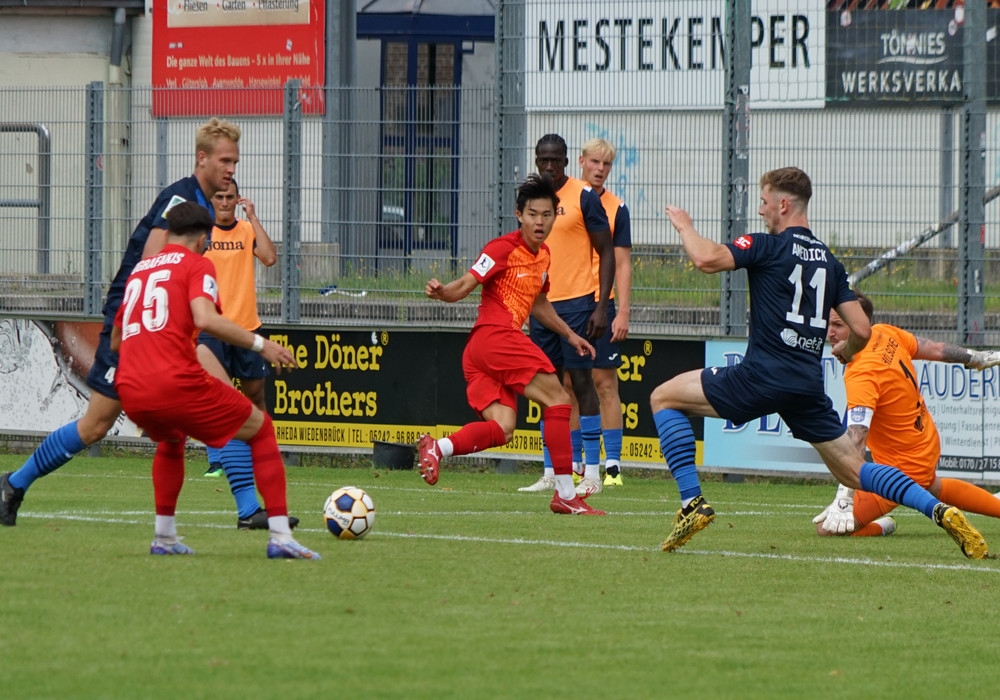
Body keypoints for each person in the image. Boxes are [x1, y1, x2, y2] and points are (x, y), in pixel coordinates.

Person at [653, 166, 988, 559]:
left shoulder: (767, 245)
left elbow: (706, 259)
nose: (761, 211)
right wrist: (847, 350)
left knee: (663, 398)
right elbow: (861, 327)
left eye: (763, 202)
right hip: (806, 384)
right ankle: (940, 511)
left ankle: (692, 504)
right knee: (854, 471)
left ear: (783, 204)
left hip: (761, 375)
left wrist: (685, 226)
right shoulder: (829, 261)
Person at [0, 118, 261, 529]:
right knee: (96, 426)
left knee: (219, 403)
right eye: (225, 161)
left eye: (235, 162)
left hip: (168, 323)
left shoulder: (204, 205)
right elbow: (152, 263)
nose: (231, 169)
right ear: (202, 158)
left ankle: (248, 511)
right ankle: (13, 485)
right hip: (142, 322)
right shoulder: (181, 199)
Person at [111, 201, 318, 558]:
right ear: (202, 239)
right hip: (173, 382)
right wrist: (262, 344)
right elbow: (205, 318)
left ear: (168, 234)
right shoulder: (197, 263)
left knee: (172, 438)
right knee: (260, 428)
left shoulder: (140, 270)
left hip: (130, 389)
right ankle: (281, 538)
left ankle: (164, 538)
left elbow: (116, 340)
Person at [416, 174, 605, 515]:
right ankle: (565, 493)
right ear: (519, 215)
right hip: (496, 337)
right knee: (559, 398)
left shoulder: (543, 256)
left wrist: (571, 335)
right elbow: (466, 284)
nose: (539, 222)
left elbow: (539, 304)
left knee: (503, 428)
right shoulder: (501, 248)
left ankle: (437, 448)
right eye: (533, 214)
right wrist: (443, 293)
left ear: (555, 216)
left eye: (547, 215)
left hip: (481, 351)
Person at [813, 290, 1000, 537]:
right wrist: (976, 358)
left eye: (838, 325)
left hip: (900, 469)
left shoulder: (862, 372)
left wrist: (844, 498)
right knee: (932, 486)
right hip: (925, 443)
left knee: (827, 530)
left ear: (860, 325)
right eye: (828, 324)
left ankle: (884, 526)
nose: (830, 332)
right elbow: (934, 349)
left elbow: (857, 439)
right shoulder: (885, 333)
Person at [517, 134, 614, 496]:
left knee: (583, 384)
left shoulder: (583, 196)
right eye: (543, 160)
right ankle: (551, 471)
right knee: (548, 388)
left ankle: (592, 473)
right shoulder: (532, 199)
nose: (549, 166)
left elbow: (607, 251)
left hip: (578, 305)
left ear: (567, 162)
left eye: (555, 160)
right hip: (541, 306)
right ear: (536, 160)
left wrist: (601, 305)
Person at [195, 178, 286, 529]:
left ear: (238, 199)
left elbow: (270, 258)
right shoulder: (203, 235)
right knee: (217, 396)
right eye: (219, 196)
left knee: (255, 397)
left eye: (230, 197)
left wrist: (254, 217)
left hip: (247, 328)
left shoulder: (246, 230)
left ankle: (263, 453)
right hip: (212, 327)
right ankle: (217, 460)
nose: (224, 202)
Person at [576, 138, 632, 490]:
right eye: (595, 162)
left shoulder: (617, 208)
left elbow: (622, 263)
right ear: (581, 161)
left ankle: (612, 467)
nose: (600, 169)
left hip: (601, 305)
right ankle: (571, 464)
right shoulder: (564, 201)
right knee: (568, 384)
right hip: (566, 303)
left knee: (605, 383)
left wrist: (622, 311)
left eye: (606, 164)